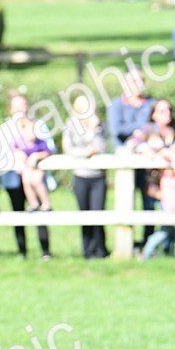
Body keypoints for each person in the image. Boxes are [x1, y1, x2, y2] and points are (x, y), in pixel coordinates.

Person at [0, 93, 54, 259]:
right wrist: (15, 156)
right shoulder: (4, 129)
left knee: (40, 213)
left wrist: (37, 156)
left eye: (24, 105)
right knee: (18, 214)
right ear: (11, 109)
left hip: (35, 176)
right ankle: (22, 251)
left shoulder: (38, 125)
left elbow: (49, 148)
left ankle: (45, 251)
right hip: (14, 178)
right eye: (17, 106)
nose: (21, 109)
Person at [129, 99, 175, 253]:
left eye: (169, 110)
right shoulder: (148, 130)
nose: (167, 114)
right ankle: (150, 250)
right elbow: (132, 142)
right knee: (159, 218)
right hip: (156, 183)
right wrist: (146, 149)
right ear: (154, 114)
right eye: (162, 111)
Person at [107, 71, 156, 249]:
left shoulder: (151, 103)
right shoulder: (117, 104)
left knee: (149, 201)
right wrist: (140, 130)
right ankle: (127, 244)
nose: (136, 85)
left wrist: (142, 131)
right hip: (125, 159)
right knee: (126, 200)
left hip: (147, 159)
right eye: (132, 81)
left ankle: (148, 242)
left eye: (139, 81)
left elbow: (156, 125)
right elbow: (117, 129)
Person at [64, 94, 109, 259]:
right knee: (84, 214)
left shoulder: (99, 125)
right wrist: (85, 152)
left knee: (98, 214)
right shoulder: (71, 125)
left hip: (98, 175)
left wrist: (94, 129)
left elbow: (101, 147)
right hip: (80, 174)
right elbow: (69, 149)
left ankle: (101, 249)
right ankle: (87, 250)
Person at [140, 142, 175, 260]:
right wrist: (165, 154)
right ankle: (146, 253)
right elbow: (152, 155)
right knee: (163, 233)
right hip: (168, 208)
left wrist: (173, 157)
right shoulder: (164, 175)